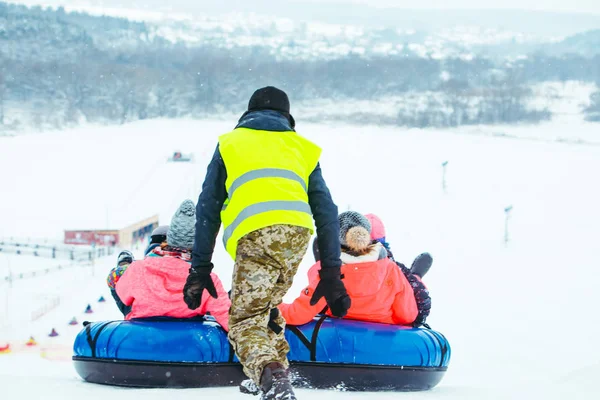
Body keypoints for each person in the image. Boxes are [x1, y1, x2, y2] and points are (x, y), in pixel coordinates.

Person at [182, 86, 351, 400]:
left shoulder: (231, 143)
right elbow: (327, 211)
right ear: (288, 118)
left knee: (245, 318)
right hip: (296, 236)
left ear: (247, 114)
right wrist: (331, 272)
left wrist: (199, 267)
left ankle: (271, 378)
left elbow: (208, 208)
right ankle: (273, 374)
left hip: (256, 234)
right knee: (267, 309)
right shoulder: (301, 147)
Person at [107, 200, 230, 331]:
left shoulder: (138, 269)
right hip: (186, 344)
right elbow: (229, 321)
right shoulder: (208, 280)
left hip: (143, 340)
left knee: (124, 294)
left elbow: (121, 292)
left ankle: (123, 264)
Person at [280, 211, 418, 326]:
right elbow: (407, 315)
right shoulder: (391, 268)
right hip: (382, 335)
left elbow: (297, 315)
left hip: (340, 333)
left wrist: (273, 308)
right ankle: (417, 276)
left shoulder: (330, 274)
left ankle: (320, 263)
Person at [364, 213, 433, 327]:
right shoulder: (395, 270)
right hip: (384, 332)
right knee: (410, 285)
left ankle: (415, 277)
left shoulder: (337, 266)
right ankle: (416, 276)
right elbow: (418, 308)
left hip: (339, 329)